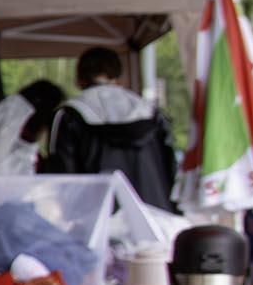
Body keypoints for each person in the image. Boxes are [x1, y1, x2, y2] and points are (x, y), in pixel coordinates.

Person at [42, 44, 178, 208]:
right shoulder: (151, 113)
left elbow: (62, 176)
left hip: (98, 218)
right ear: (119, 75)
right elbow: (171, 167)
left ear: (79, 78)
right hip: (153, 213)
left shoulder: (69, 115)